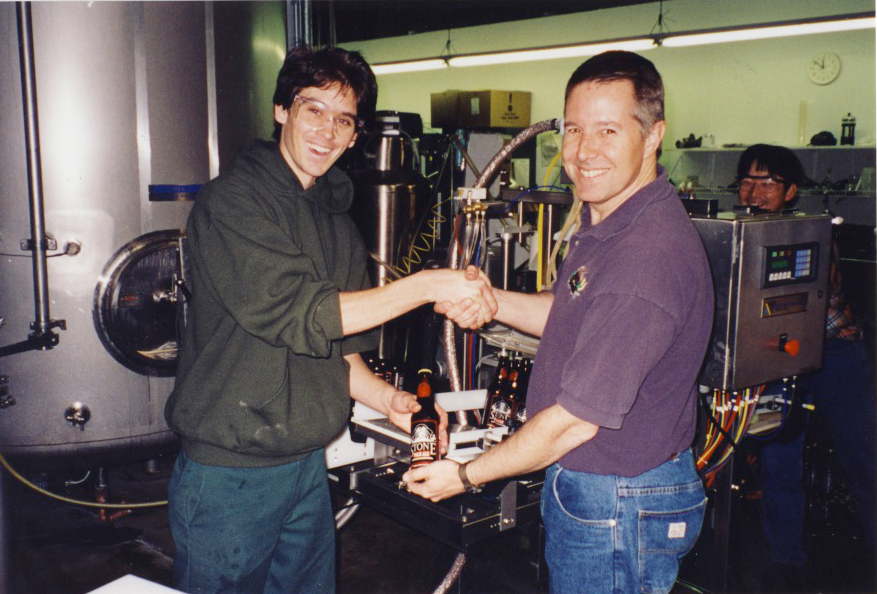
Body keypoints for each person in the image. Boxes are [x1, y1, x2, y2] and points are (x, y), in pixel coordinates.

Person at [164, 45, 495, 594]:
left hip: (304, 469)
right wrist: (428, 284)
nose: (327, 131)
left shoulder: (337, 220)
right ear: (281, 111)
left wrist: (385, 399)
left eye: (344, 119)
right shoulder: (233, 203)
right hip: (230, 474)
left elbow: (337, 350)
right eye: (313, 109)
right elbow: (305, 313)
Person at [405, 51, 714, 594]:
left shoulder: (644, 259)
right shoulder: (611, 222)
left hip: (618, 499)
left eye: (607, 130)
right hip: (604, 488)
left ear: (654, 134)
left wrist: (465, 475)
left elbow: (575, 421)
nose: (583, 151)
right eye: (573, 129)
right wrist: (491, 301)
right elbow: (568, 310)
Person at [736, 144, 877, 589]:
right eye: (748, 181)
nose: (755, 192)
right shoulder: (735, 231)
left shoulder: (813, 233)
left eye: (768, 183)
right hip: (779, 356)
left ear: (791, 191)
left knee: (864, 456)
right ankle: (785, 561)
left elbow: (803, 294)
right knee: (779, 457)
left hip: (835, 352)